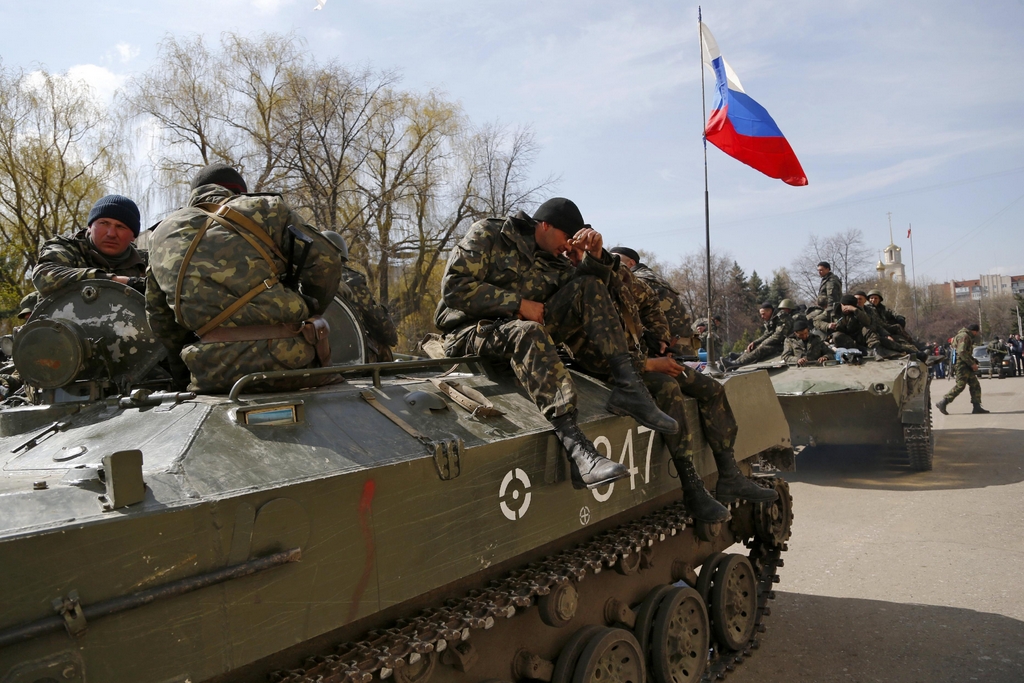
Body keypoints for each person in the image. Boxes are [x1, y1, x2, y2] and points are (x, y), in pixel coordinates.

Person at [434, 197, 677, 490]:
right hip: (468, 332)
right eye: (565, 237)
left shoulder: (554, 259)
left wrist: (594, 257)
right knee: (528, 331)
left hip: (521, 331)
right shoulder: (489, 234)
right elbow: (454, 288)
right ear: (545, 225)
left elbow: (599, 292)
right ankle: (578, 449)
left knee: (588, 286)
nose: (566, 246)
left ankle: (629, 387)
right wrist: (518, 304)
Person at [565, 251, 776, 522]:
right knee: (667, 389)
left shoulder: (619, 276)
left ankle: (729, 474)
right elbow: (586, 354)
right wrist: (648, 365)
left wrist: (661, 337)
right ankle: (692, 486)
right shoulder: (578, 287)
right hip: (608, 370)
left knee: (712, 389)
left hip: (641, 360)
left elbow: (650, 300)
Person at [146, 163, 344, 393]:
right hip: (291, 364)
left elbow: (160, 318)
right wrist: (312, 309)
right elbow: (327, 260)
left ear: (193, 195)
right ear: (239, 193)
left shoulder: (161, 234)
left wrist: (184, 379)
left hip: (213, 374)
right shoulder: (267, 208)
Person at [32, 194, 147, 301]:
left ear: (133, 236)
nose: (111, 233)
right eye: (104, 223)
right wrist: (119, 282)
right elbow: (43, 276)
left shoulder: (148, 261)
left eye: (120, 226)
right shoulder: (67, 247)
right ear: (90, 227)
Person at [326, 233, 399, 363]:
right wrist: (391, 337)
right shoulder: (351, 280)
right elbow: (378, 321)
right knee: (383, 347)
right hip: (348, 355)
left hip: (313, 353)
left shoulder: (299, 278)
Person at [608, 246, 694, 351]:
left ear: (631, 263)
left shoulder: (638, 281)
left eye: (616, 259)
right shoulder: (654, 277)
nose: (613, 263)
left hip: (666, 350)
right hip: (685, 348)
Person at [720, 300, 795, 369]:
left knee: (761, 348)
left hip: (785, 344)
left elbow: (778, 336)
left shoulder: (782, 318)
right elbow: (767, 334)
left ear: (770, 311)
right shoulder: (772, 319)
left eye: (763, 314)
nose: (762, 317)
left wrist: (762, 344)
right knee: (756, 346)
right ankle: (738, 360)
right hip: (777, 343)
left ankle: (737, 364)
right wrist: (755, 342)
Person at [936, 324, 989, 415]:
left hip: (965, 364)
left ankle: (976, 406)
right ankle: (944, 402)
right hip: (962, 365)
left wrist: (973, 360)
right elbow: (961, 352)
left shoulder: (962, 335)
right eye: (976, 332)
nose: (976, 334)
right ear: (974, 331)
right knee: (960, 385)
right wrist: (972, 364)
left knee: (975, 384)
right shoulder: (964, 336)